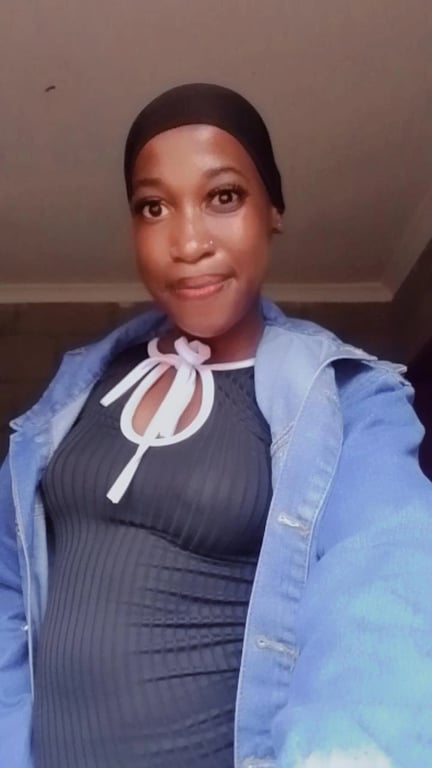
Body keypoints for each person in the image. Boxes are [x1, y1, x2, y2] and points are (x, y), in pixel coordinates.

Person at [1, 83, 431, 768]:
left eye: (223, 197)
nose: (189, 242)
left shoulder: (350, 400)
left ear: (273, 211)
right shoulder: (74, 393)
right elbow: (8, 584)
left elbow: (388, 596)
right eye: (153, 206)